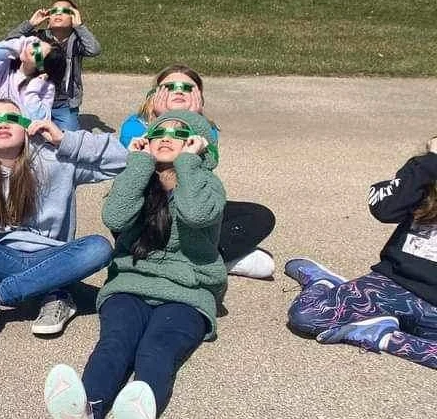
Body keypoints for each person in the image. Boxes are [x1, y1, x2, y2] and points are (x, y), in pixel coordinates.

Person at [44, 110, 226, 419]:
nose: (166, 137)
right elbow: (115, 217)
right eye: (159, 131)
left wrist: (188, 164)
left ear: (198, 145)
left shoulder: (208, 185)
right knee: (116, 344)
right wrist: (138, 163)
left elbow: (196, 215)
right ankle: (87, 418)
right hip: (130, 283)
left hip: (187, 293)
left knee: (156, 350)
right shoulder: (137, 176)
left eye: (181, 134)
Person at [0, 99, 127, 352]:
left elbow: (122, 160)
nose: (3, 123)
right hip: (2, 256)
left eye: (12, 118)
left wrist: (65, 140)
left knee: (98, 248)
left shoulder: (55, 159)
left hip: (52, 254)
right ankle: (53, 290)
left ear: (27, 128)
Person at [283, 137, 437, 370]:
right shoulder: (424, 173)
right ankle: (324, 283)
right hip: (392, 285)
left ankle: (381, 335)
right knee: (306, 316)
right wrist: (430, 162)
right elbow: (385, 209)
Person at [117, 64, 275, 280]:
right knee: (124, 219)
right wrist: (164, 117)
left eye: (188, 87)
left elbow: (208, 165)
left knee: (260, 216)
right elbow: (147, 163)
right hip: (151, 209)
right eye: (170, 86)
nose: (179, 90)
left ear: (199, 95)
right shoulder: (134, 126)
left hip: (191, 205)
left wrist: (191, 121)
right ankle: (197, 261)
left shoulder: (206, 129)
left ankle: (205, 257)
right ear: (153, 94)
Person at [4, 0, 101, 130]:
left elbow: (94, 49)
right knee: (28, 132)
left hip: (64, 103)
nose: (58, 14)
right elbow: (9, 41)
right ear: (48, 20)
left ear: (74, 17)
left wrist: (79, 26)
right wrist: (30, 24)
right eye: (54, 11)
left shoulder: (77, 42)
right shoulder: (39, 38)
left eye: (65, 11)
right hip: (35, 97)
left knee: (68, 137)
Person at [0, 34, 66, 120]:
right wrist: (22, 44)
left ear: (42, 67)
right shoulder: (5, 72)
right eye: (35, 46)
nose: (32, 51)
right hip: (2, 123)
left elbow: (37, 118)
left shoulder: (46, 86)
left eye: (38, 55)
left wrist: (33, 89)